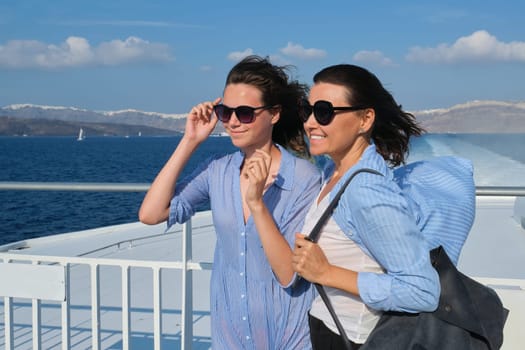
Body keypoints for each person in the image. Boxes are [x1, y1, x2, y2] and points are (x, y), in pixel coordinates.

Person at [139, 55, 321, 349]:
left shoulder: (304, 178)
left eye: (245, 113)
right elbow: (150, 213)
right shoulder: (218, 171)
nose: (233, 122)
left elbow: (289, 275)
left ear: (274, 114)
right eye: (226, 112)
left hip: (288, 338)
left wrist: (258, 205)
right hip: (229, 338)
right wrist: (190, 141)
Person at [292, 64, 444, 349]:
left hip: (353, 339)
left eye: (324, 112)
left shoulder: (367, 191)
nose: (310, 122)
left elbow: (422, 290)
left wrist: (326, 273)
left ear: (365, 120)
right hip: (327, 328)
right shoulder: (333, 171)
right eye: (307, 109)